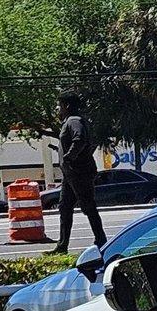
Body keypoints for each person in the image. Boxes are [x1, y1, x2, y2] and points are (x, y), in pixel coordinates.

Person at [52, 91, 105, 254]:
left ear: (67, 106)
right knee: (65, 207)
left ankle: (101, 240)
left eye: (59, 106)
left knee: (88, 206)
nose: (58, 109)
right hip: (71, 175)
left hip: (79, 172)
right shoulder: (69, 121)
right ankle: (62, 246)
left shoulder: (75, 121)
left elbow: (79, 139)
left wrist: (69, 157)